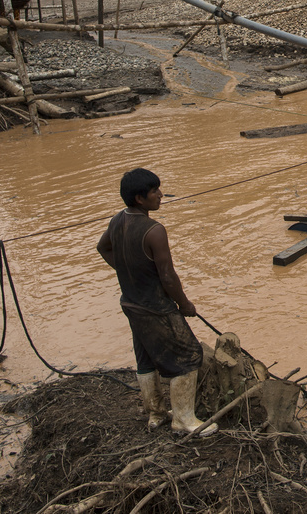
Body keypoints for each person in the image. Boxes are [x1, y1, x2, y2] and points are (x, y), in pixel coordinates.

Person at [97, 168, 214, 435]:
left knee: (146, 357)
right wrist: (184, 304)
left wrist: (128, 271)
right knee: (188, 356)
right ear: (140, 198)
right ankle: (184, 420)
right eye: (154, 192)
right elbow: (168, 277)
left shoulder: (117, 220)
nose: (161, 195)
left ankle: (156, 413)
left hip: (131, 304)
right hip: (155, 308)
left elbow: (102, 248)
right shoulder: (154, 231)